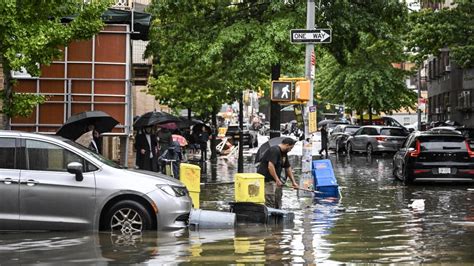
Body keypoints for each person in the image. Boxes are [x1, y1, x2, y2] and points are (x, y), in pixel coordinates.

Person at [256, 137, 299, 209]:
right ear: (287, 145)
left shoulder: (284, 154)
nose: (291, 150)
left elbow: (287, 167)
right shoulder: (274, 150)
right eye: (291, 148)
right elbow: (270, 166)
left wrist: (293, 182)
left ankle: (278, 213)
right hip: (268, 180)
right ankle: (270, 215)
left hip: (276, 181)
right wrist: (277, 179)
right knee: (270, 199)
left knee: (278, 200)